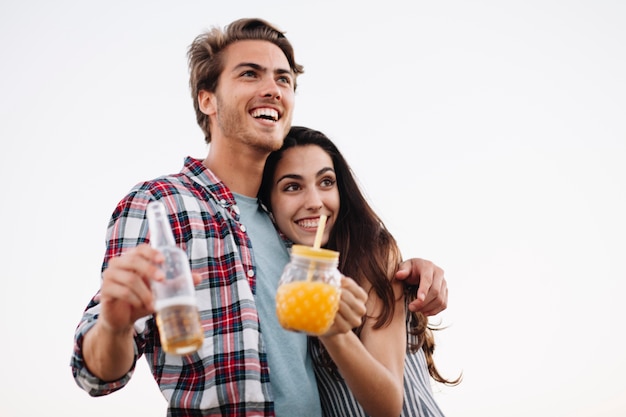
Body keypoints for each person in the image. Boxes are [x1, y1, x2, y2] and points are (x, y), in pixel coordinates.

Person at [70, 18, 448, 417]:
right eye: (250, 74)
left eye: (283, 79)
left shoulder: (293, 227)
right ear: (207, 100)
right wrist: (114, 326)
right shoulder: (161, 204)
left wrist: (413, 271)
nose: (272, 88)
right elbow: (97, 374)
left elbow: (365, 276)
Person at [258, 126, 462, 417]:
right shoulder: (281, 275)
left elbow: (388, 406)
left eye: (326, 182)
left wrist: (331, 330)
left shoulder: (373, 256)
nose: (315, 202)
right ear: (268, 202)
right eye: (292, 187)